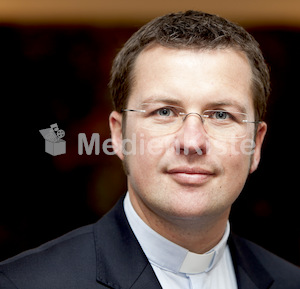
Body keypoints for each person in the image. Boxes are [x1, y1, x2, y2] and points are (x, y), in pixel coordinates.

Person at [0, 10, 299, 289]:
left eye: (221, 115)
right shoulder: (23, 282)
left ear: (255, 145)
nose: (192, 142)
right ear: (119, 135)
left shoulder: (290, 281)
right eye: (165, 112)